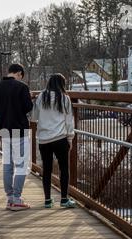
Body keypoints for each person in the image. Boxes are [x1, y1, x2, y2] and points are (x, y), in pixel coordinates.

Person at [0, 64, 33, 212]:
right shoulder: (21, 87)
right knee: (21, 165)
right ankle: (17, 198)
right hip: (19, 130)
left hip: (4, 129)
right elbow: (28, 107)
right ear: (19, 73)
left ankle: (10, 198)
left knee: (8, 164)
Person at [31, 73, 77, 209]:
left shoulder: (41, 96)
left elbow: (33, 118)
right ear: (62, 84)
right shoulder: (65, 98)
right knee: (64, 169)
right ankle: (64, 199)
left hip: (44, 139)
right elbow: (69, 121)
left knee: (47, 169)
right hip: (60, 138)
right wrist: (70, 138)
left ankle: (47, 200)